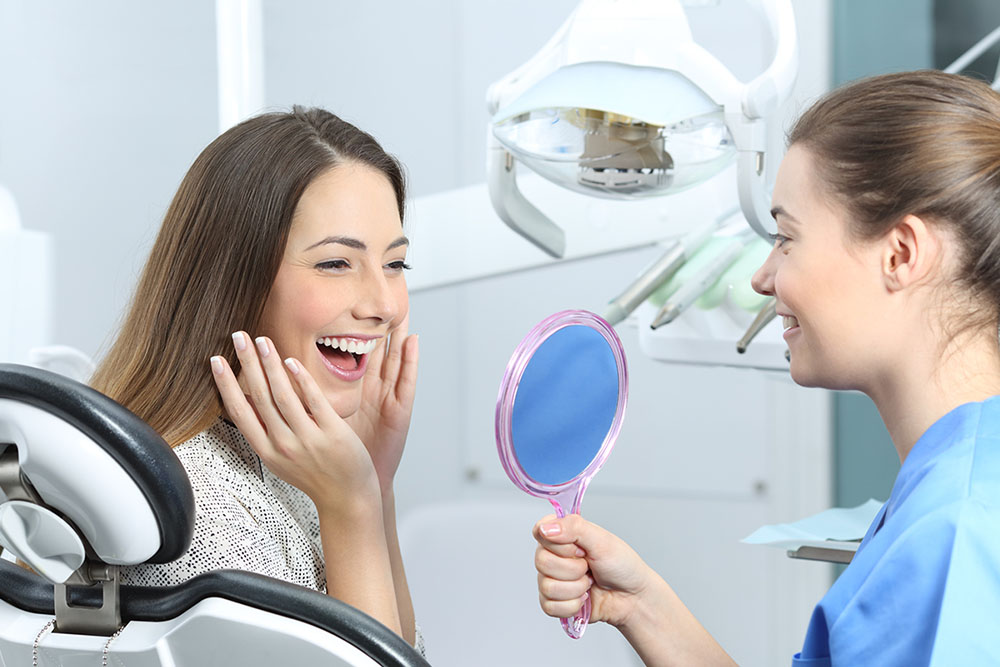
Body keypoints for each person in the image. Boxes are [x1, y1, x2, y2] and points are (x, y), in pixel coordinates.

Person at [533, 69, 1000, 666]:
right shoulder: (949, 492)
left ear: (901, 254)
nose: (761, 277)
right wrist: (641, 605)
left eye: (786, 238)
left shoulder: (957, 535)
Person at [89, 106, 422, 651]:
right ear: (232, 281)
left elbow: (408, 655)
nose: (385, 304)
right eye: (336, 263)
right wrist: (354, 506)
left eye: (395, 264)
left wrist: (376, 484)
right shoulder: (199, 510)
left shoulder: (300, 463)